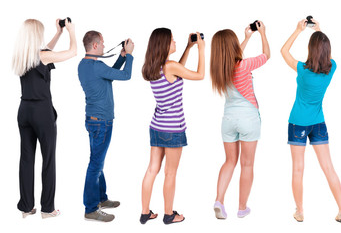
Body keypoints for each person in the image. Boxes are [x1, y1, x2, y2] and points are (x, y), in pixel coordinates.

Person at [281, 18, 341, 223]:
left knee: (298, 169)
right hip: (318, 123)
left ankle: (300, 211)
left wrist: (298, 30)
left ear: (311, 49)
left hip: (297, 123)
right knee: (328, 167)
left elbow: (284, 51)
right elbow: (327, 55)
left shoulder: (302, 70)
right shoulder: (332, 68)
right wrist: (320, 31)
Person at [13, 18, 76, 219]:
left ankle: (26, 206)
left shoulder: (22, 56)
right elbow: (73, 52)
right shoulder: (42, 56)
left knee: (26, 159)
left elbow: (46, 51)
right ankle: (48, 209)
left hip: (24, 111)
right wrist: (71, 31)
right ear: (35, 36)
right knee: (48, 159)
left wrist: (58, 33)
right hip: (42, 112)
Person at [140, 28, 205, 224]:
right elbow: (200, 75)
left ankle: (145, 212)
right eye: (172, 40)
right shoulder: (170, 66)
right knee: (170, 172)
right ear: (164, 44)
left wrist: (188, 47)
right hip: (173, 129)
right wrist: (201, 48)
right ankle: (169, 214)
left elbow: (178, 69)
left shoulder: (155, 66)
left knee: (152, 169)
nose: (175, 41)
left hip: (157, 126)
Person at [211, 21, 270, 220]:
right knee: (246, 164)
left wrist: (246, 38)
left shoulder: (219, 70)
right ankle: (242, 207)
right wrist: (262, 33)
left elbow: (231, 57)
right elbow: (266, 55)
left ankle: (219, 200)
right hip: (248, 119)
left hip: (228, 120)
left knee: (229, 161)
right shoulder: (244, 66)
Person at [78, 30, 134, 222]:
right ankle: (91, 208)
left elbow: (109, 75)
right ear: (94, 45)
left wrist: (121, 57)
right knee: (95, 165)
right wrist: (131, 55)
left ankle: (101, 198)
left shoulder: (85, 65)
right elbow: (125, 76)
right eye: (102, 43)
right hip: (102, 123)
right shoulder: (97, 66)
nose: (103, 46)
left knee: (97, 162)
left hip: (94, 121)